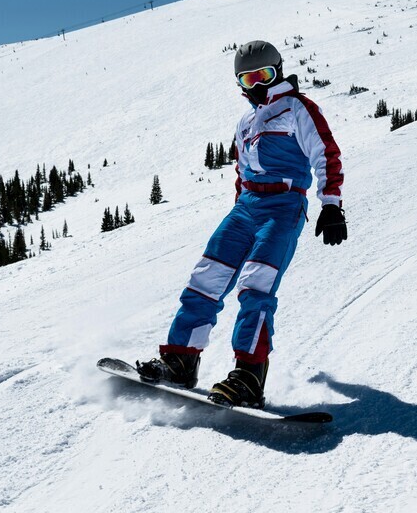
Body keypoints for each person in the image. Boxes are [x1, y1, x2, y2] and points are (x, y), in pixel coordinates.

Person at [137, 40, 347, 408]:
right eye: (249, 79)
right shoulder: (246, 121)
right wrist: (240, 208)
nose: (258, 85)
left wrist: (330, 204)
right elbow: (242, 169)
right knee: (206, 278)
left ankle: (249, 375)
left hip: (283, 205)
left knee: (256, 285)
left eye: (264, 75)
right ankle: (180, 360)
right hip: (246, 207)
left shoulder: (298, 108)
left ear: (278, 71)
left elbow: (326, 155)